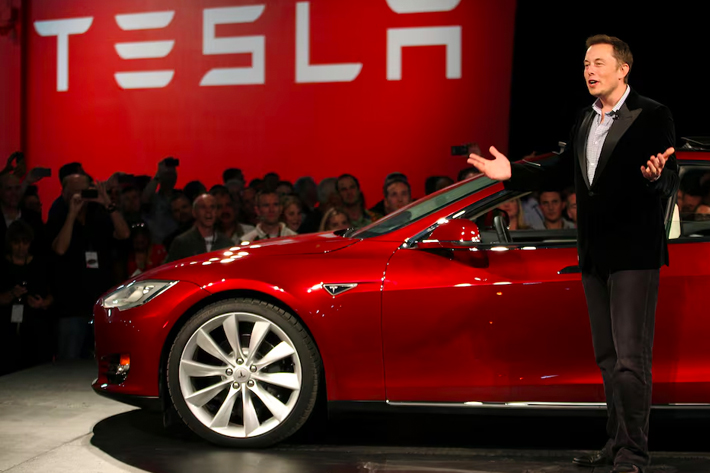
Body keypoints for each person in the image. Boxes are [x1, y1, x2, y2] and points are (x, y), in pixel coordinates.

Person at [468, 35, 677, 473]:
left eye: (598, 62)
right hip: (594, 253)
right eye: (585, 63)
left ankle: (633, 453)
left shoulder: (652, 114)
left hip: (634, 253)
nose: (589, 70)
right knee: (606, 356)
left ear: (623, 69)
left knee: (630, 358)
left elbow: (665, 172)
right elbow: (562, 171)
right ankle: (614, 442)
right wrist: (512, 174)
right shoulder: (585, 118)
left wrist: (656, 175)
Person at [47, 173, 130, 359]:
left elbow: (124, 234)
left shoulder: (100, 214)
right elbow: (60, 249)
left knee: (104, 360)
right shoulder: (58, 215)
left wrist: (107, 202)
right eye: (74, 191)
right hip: (71, 307)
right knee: (68, 365)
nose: (79, 196)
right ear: (64, 192)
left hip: (101, 304)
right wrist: (72, 214)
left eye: (83, 190)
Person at [0, 220, 54, 374]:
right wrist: (11, 294)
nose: (20, 247)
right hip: (6, 328)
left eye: (24, 242)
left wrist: (42, 303)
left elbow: (53, 296)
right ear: (10, 243)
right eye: (16, 243)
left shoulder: (39, 264)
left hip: (35, 326)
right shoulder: (3, 265)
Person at [166, 194, 232, 262]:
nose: (208, 211)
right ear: (194, 212)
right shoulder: (182, 243)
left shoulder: (226, 243)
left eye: (212, 207)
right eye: (203, 207)